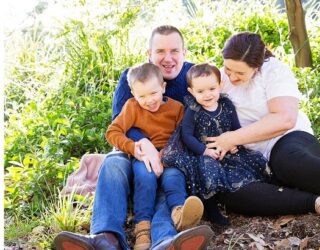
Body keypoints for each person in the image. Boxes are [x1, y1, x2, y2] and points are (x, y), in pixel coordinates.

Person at [205, 32, 320, 230]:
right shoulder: (220, 79)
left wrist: (232, 138)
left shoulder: (274, 72)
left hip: (289, 141)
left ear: (257, 66)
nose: (232, 76)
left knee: (287, 162)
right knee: (228, 190)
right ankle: (318, 202)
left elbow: (285, 119)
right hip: (254, 159)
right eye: (228, 69)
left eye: (240, 73)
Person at [54, 25, 214, 250]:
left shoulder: (193, 78)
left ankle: (164, 240)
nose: (168, 58)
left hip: (172, 154)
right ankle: (105, 237)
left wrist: (166, 153)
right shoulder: (133, 77)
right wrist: (143, 144)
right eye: (160, 51)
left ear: (184, 52)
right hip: (134, 152)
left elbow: (198, 122)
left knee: (167, 180)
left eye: (174, 51)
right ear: (149, 54)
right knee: (113, 162)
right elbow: (119, 121)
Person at [105, 63, 204, 250]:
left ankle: (179, 214)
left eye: (153, 93)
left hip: (171, 156)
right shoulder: (132, 107)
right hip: (144, 156)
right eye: (141, 96)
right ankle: (142, 229)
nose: (149, 100)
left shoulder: (176, 108)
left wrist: (169, 153)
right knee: (145, 177)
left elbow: (184, 135)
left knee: (174, 178)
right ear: (133, 94)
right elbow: (113, 131)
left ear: (163, 88)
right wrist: (132, 147)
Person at [162, 63, 268, 226]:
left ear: (220, 85)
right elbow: (187, 135)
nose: (207, 95)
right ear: (191, 91)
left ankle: (261, 191)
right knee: (207, 170)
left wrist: (235, 144)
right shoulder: (193, 109)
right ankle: (211, 209)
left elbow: (236, 128)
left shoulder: (226, 105)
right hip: (203, 152)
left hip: (226, 149)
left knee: (251, 163)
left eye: (212, 89)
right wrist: (203, 150)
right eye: (200, 91)